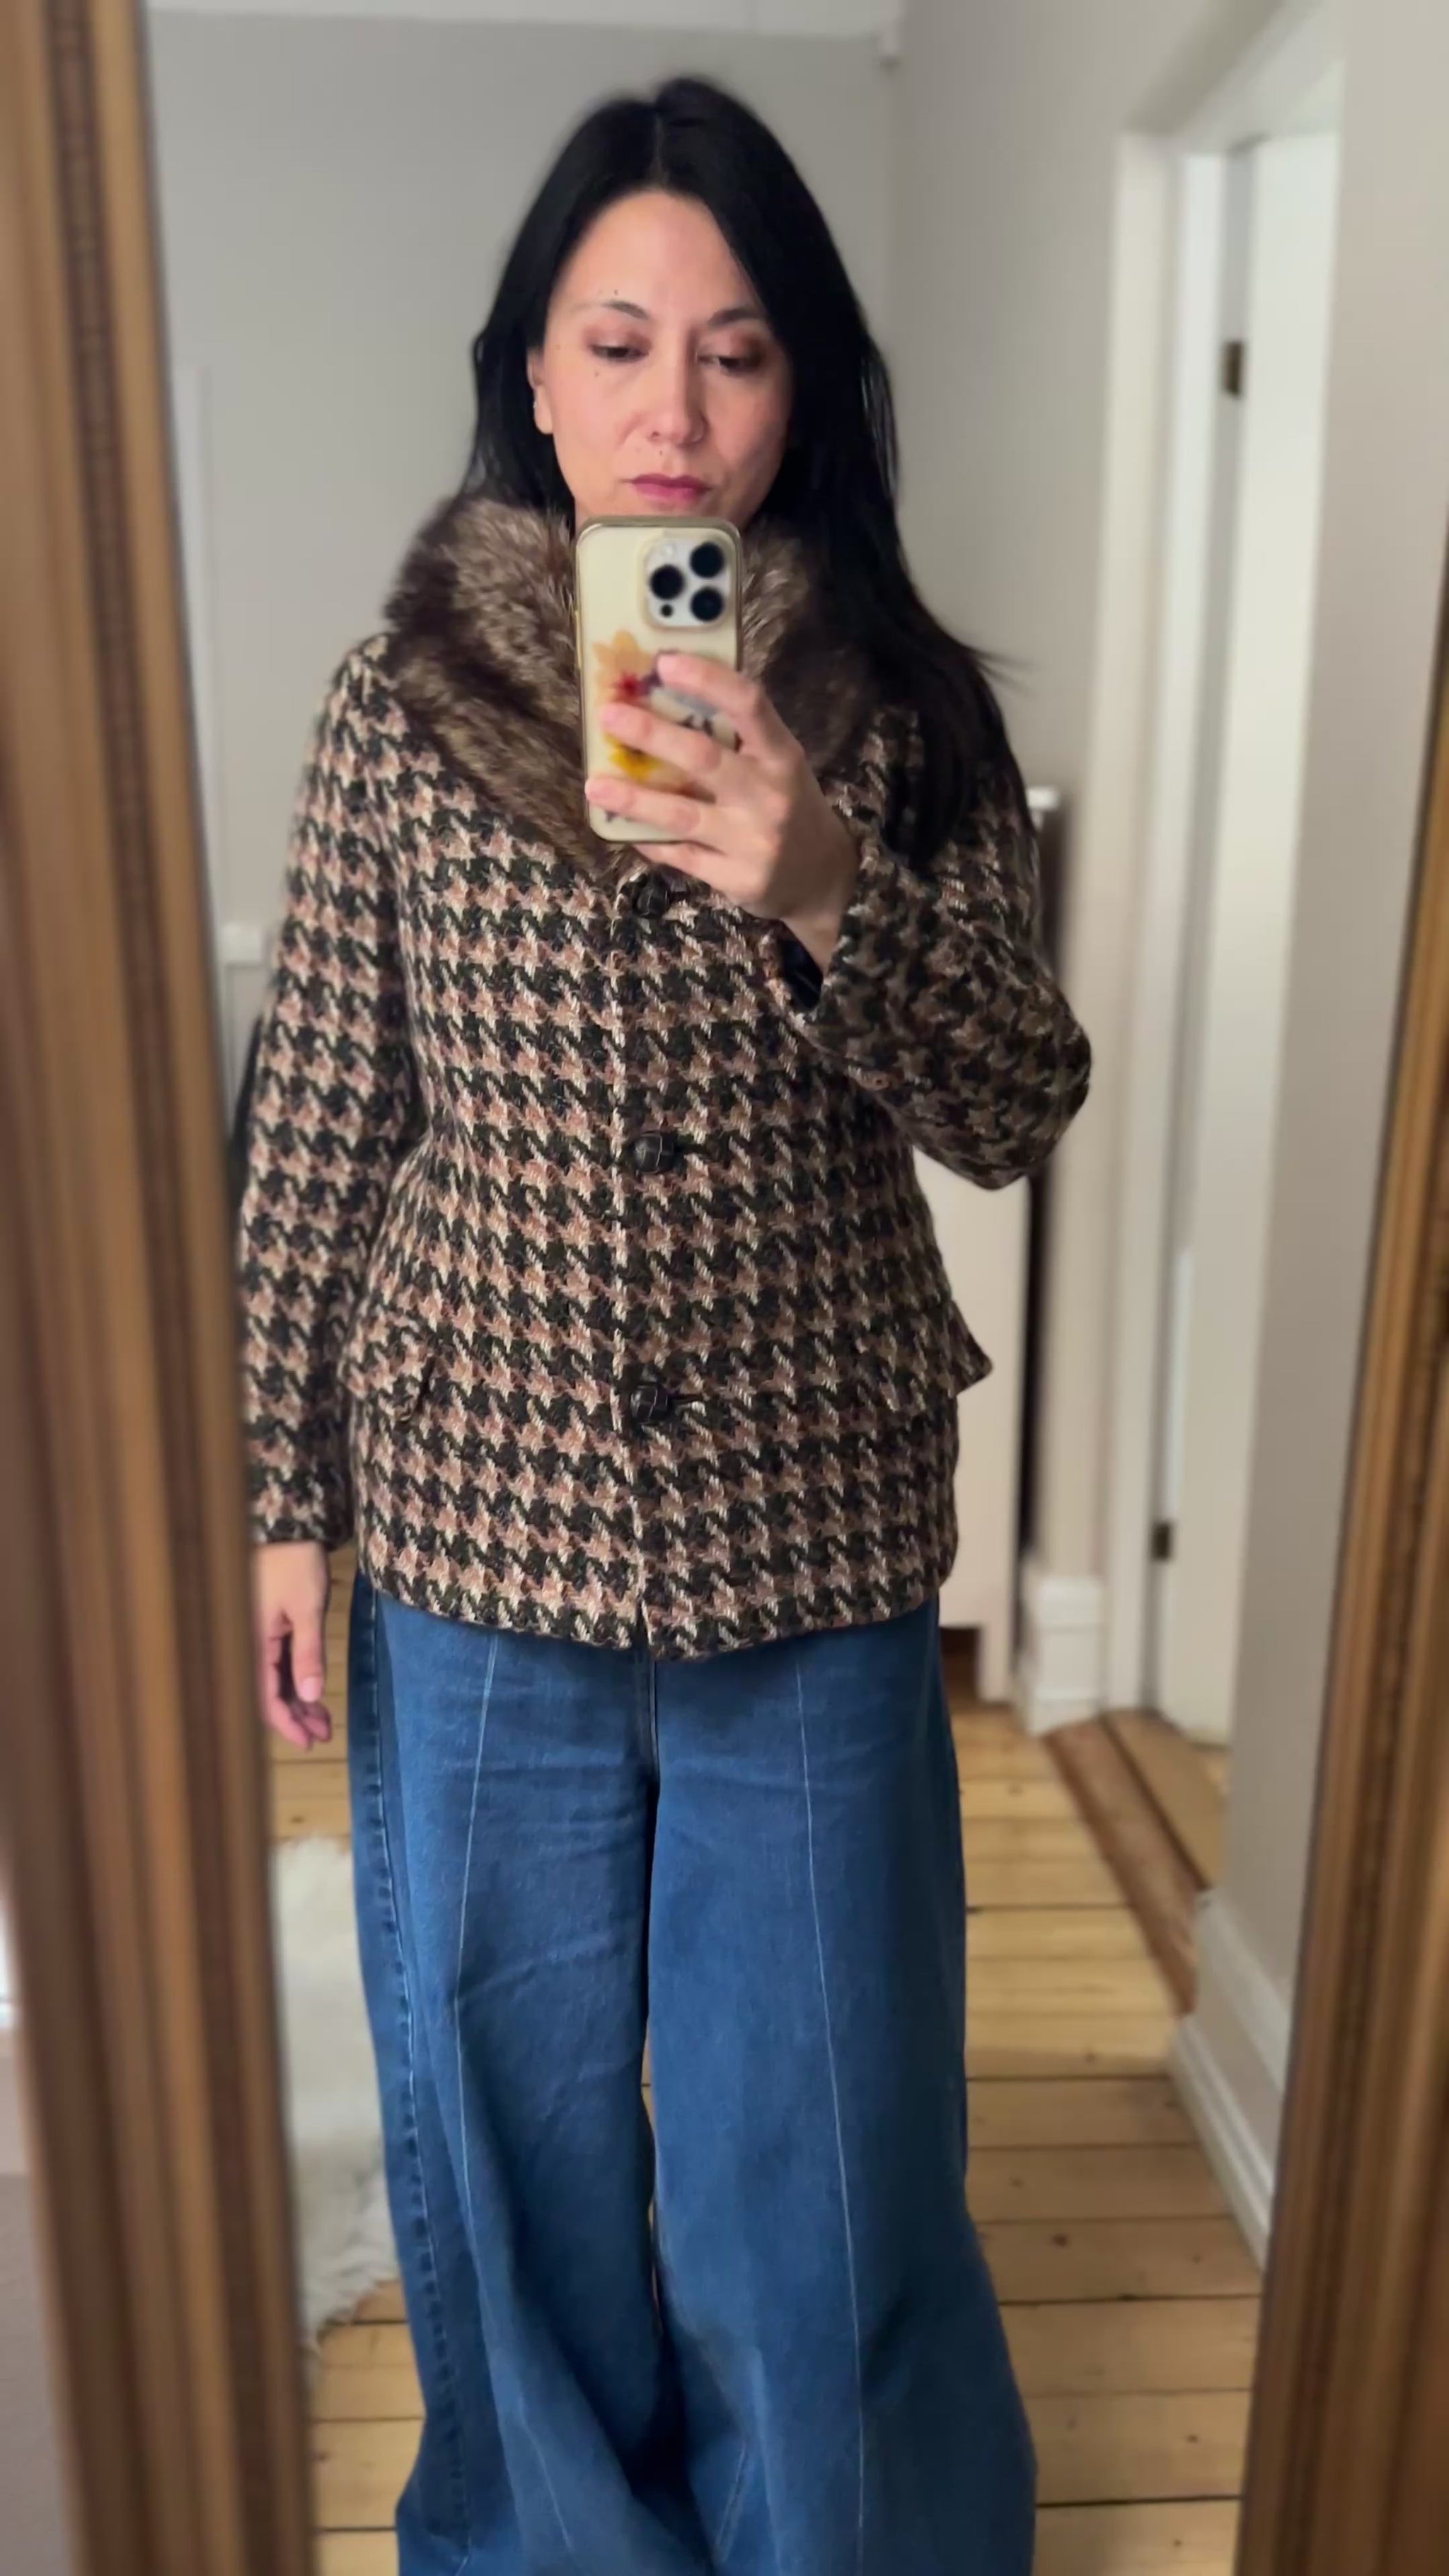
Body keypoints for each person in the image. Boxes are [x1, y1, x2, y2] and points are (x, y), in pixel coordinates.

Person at [239, 74, 1089, 2576]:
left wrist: (821, 880)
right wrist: (282, 1499)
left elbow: (1019, 1101)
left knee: (811, 2150)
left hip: (809, 1535)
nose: (672, 410)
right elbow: (323, 1118)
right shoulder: (396, 713)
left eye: (733, 351)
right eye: (618, 344)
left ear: (799, 389)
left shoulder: (902, 715)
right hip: (475, 1521)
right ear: (534, 375)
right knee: (499, 2142)